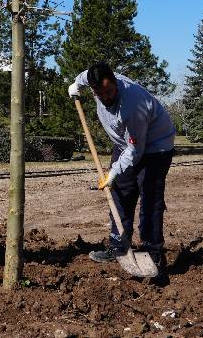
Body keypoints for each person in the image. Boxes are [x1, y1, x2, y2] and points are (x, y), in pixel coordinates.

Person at [69, 61, 175, 282]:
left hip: (155, 147)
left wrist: (113, 171)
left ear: (116, 83)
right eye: (100, 93)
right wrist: (75, 86)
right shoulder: (95, 81)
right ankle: (118, 245)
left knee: (150, 199)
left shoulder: (133, 105)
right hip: (124, 145)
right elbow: (83, 76)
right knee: (119, 193)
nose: (105, 97)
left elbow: (136, 149)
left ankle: (153, 251)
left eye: (109, 91)